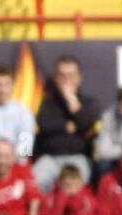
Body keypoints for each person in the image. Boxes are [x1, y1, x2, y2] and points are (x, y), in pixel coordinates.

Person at [32, 55, 99, 190]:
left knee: (77, 186)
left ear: (79, 78)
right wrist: (66, 126)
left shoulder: (89, 102)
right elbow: (44, 124)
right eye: (62, 76)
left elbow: (86, 123)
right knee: (34, 183)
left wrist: (71, 100)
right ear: (56, 78)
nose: (67, 80)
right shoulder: (46, 103)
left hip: (79, 157)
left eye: (71, 75)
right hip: (50, 158)